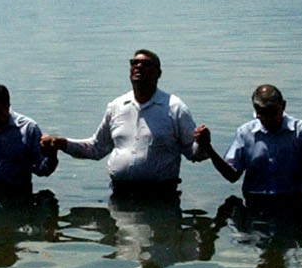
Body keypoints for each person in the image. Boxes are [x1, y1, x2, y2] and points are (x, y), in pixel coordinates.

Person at [47, 49, 205, 194]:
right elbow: (96, 148)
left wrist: (204, 142)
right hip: (120, 193)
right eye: (134, 63)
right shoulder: (116, 106)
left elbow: (194, 153)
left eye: (146, 64)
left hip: (161, 195)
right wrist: (63, 144)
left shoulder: (174, 107)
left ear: (159, 73)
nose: (139, 66)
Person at [193, 83, 302, 200]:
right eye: (262, 114)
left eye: (272, 113)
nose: (268, 119)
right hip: (254, 200)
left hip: (291, 199)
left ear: (283, 106)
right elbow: (232, 175)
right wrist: (208, 147)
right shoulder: (245, 133)